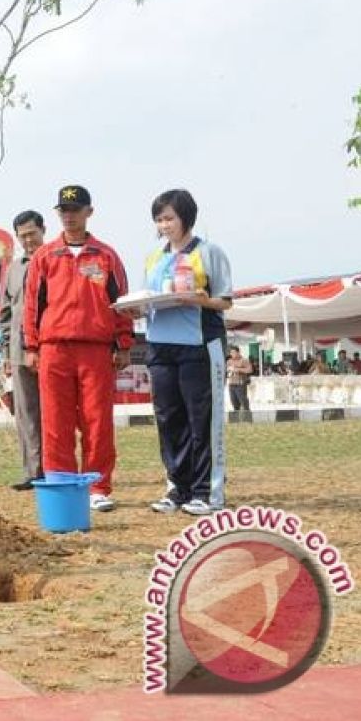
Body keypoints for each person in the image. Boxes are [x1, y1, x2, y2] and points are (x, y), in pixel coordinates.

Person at [22, 184, 132, 514]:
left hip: (95, 349)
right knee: (55, 421)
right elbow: (32, 306)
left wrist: (124, 343)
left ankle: (98, 486)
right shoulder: (44, 256)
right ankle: (62, 482)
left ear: (89, 212)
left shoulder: (106, 256)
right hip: (53, 349)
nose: (69, 216)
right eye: (64, 211)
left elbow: (121, 303)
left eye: (76, 210)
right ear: (58, 214)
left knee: (98, 421)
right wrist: (31, 346)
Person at [139, 189, 233, 517]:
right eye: (159, 219)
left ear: (186, 218)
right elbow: (148, 298)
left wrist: (201, 300)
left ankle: (206, 492)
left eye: (169, 218)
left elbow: (225, 300)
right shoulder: (154, 257)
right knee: (168, 418)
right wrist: (134, 310)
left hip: (199, 345)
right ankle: (176, 488)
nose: (163, 225)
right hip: (160, 346)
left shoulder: (208, 253)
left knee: (201, 419)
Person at [0, 210, 46, 491]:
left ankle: (58, 469)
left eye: (32, 233)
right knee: (26, 412)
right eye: (22, 236)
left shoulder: (56, 260)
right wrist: (7, 351)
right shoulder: (15, 269)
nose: (28, 240)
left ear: (43, 230)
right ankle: (33, 471)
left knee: (54, 411)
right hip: (18, 349)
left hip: (49, 348)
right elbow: (6, 312)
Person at [226, 345, 253, 412]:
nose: (232, 354)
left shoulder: (244, 360)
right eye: (231, 353)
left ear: (238, 352)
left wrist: (237, 369)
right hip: (231, 384)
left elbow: (249, 370)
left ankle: (248, 418)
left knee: (243, 401)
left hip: (240, 384)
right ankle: (236, 419)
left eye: (234, 352)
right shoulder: (229, 361)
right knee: (233, 402)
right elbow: (226, 371)